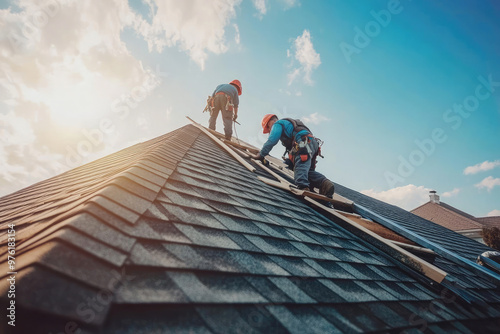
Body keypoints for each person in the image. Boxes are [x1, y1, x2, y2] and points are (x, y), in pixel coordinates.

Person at [251, 114, 335, 198]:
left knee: (300, 166)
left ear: (270, 123)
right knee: (307, 170)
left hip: (303, 143)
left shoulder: (277, 124)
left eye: (268, 129)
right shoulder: (288, 125)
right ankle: (325, 184)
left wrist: (261, 154)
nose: (269, 131)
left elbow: (272, 140)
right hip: (312, 144)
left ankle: (303, 187)